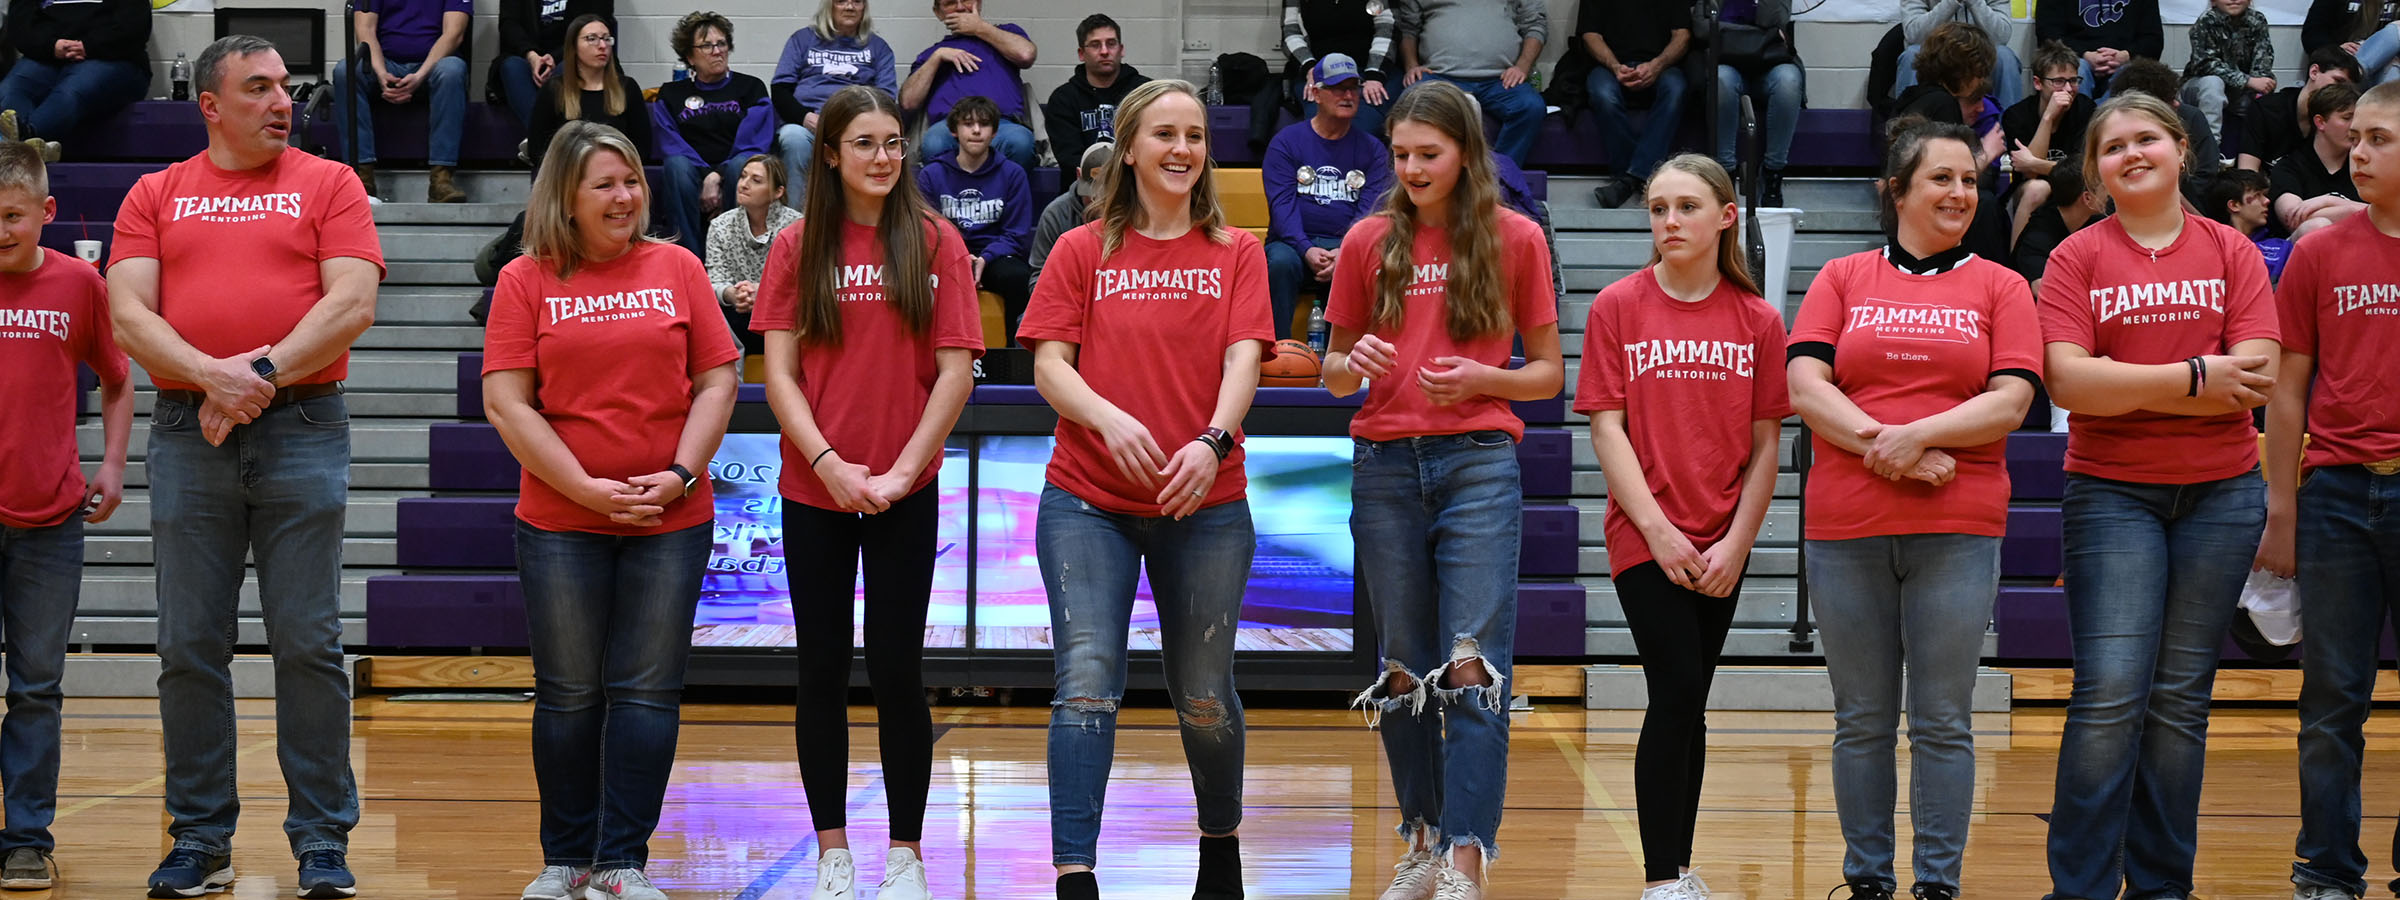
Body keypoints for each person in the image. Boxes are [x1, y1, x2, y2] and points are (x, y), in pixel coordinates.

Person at [107, 34, 381, 900]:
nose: (280, 102)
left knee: (309, 644)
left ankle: (321, 843)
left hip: (302, 421)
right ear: (212, 106)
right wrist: (211, 376)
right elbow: (128, 315)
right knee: (191, 646)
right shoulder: (156, 192)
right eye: (258, 88)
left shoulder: (329, 183)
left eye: (285, 87)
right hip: (191, 431)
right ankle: (199, 838)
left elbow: (352, 303)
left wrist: (253, 377)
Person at [1016, 78, 1271, 900]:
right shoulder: (1081, 249)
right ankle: (1075, 876)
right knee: (1086, 682)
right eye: (1164, 133)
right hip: (1088, 499)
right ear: (1129, 148)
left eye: (1195, 135)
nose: (1182, 149)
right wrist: (1110, 421)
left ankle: (1220, 843)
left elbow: (1244, 359)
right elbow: (1049, 363)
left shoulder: (1238, 252)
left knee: (1202, 694)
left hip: (1207, 502)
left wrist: (1212, 440)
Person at [484, 120, 741, 900]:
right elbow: (507, 401)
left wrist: (681, 473)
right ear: (565, 194)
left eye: (632, 180)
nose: (626, 196)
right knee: (568, 692)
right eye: (606, 184)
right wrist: (586, 489)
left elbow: (719, 380)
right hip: (562, 522)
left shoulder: (678, 266)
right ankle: (566, 859)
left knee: (646, 691)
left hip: (671, 519)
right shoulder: (524, 280)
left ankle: (623, 863)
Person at [1788, 115, 2041, 900]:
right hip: (1846, 527)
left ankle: (1938, 886)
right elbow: (1805, 387)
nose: (1961, 192)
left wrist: (1918, 436)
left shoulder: (2000, 284)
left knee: (1942, 721)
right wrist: (1887, 446)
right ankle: (1866, 882)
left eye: (1970, 179)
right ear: (1896, 190)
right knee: (1861, 719)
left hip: (1958, 527)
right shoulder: (1843, 276)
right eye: (1942, 178)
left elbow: (2011, 401)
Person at [2037, 92, 2280, 900]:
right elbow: (2071, 381)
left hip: (2223, 493)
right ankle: (2077, 887)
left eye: (2147, 139)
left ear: (2181, 148)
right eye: (2112, 147)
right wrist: (2195, 378)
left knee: (2179, 701)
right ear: (2096, 171)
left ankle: (2161, 887)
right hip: (2112, 494)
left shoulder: (2231, 251)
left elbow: (2257, 378)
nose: (2131, 154)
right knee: (2109, 694)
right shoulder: (2077, 258)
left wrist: (2136, 385)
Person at [1324, 80, 1561, 900]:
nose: (1414, 168)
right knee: (1401, 670)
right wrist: (1348, 365)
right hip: (1384, 468)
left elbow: (1546, 374)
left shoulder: (1516, 239)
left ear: (1466, 153)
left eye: (1430, 153)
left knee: (1471, 667)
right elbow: (1329, 372)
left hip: (1478, 462)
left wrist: (1483, 377)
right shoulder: (1365, 241)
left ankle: (1466, 855)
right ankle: (1421, 842)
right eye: (1401, 155)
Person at [749, 85, 981, 900]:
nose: (884, 157)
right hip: (814, 488)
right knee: (820, 668)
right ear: (833, 155)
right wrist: (830, 465)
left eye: (893, 143)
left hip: (903, 489)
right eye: (866, 144)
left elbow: (955, 373)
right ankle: (831, 851)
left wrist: (899, 471)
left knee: (895, 667)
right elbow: (777, 372)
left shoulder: (936, 241)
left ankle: (908, 855)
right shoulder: (795, 246)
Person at [1577, 153, 1787, 900]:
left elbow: (1768, 446)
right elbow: (1606, 428)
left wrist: (1737, 543)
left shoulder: (1759, 319)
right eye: (1659, 208)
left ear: (1726, 216)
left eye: (1687, 207)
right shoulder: (1618, 307)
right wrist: (1659, 531)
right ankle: (1661, 879)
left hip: (1721, 538)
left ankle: (1679, 868)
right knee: (1674, 691)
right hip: (1646, 534)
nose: (1669, 220)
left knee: (1690, 698)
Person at [2257, 79, 2400, 900]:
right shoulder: (2318, 252)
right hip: (2337, 495)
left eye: (2381, 139)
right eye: (2360, 136)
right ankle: (2326, 870)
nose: (2359, 151)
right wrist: (2281, 506)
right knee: (2331, 704)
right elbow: (2285, 388)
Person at [0, 139, 130, 893]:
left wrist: (112, 466)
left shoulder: (81, 285)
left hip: (50, 519)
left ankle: (25, 838)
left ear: (46, 213)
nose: (2, 229)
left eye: (13, 216)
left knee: (36, 686)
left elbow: (116, 380)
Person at [1264, 53, 1393, 341]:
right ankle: (1274, 355)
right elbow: (1281, 207)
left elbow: (1371, 213)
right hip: (1293, 244)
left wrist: (1344, 251)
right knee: (1280, 263)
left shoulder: (1373, 149)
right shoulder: (1286, 142)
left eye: (1352, 88)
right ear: (1316, 93)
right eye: (1337, 88)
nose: (1348, 95)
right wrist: (1306, 248)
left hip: (1345, 245)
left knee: (1372, 262)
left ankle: (1349, 361)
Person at [653, 11, 775, 256]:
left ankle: (733, 256)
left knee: (742, 165)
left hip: (734, 168)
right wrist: (706, 174)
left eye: (722, 43)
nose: (717, 51)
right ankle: (690, 260)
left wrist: (717, 176)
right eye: (706, 46)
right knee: (676, 165)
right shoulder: (671, 93)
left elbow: (753, 142)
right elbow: (669, 141)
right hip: (691, 174)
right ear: (689, 56)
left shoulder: (751, 87)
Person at [917, 94, 1033, 339]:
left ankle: (1015, 359)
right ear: (954, 131)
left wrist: (985, 258)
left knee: (1018, 278)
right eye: (968, 124)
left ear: (994, 132)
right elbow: (927, 231)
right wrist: (960, 258)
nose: (977, 131)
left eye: (984, 124)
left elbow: (1016, 234)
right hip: (947, 254)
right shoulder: (931, 175)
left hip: (995, 255)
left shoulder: (1013, 174)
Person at [332, 0, 471, 203]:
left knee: (452, 70)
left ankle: (441, 180)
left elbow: (454, 34)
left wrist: (420, 75)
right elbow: (365, 30)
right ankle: (362, 179)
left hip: (433, 65)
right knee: (345, 71)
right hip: (385, 63)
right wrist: (381, 74)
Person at [771, 0, 897, 212]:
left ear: (864, 7)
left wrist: (852, 125)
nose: (849, 7)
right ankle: (794, 222)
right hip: (808, 126)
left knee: (868, 145)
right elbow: (780, 90)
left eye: (856, 1)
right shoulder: (802, 40)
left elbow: (885, 98)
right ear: (829, 6)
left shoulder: (878, 48)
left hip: (856, 127)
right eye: (841, 1)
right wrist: (806, 118)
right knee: (792, 138)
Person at [1392, 0, 1546, 167]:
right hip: (1438, 76)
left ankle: (1499, 178)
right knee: (1408, 106)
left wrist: (1522, 66)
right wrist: (1411, 65)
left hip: (1500, 78)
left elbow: (1536, 25)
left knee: (1531, 107)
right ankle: (1422, 176)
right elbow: (1407, 28)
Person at [902, 0, 1038, 173]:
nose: (960, 7)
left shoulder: (1007, 32)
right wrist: (937, 57)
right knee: (934, 142)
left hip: (1001, 124)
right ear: (938, 12)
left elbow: (1026, 55)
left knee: (1021, 143)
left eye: (966, 0)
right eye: (950, 3)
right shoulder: (931, 53)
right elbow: (908, 102)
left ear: (979, 3)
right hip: (951, 126)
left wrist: (979, 27)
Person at [1577, 0, 1690, 208]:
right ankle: (1639, 176)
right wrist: (1615, 66)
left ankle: (1627, 181)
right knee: (1603, 94)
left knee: (1676, 89)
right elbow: (1590, 35)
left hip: (1661, 66)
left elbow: (1682, 36)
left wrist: (1656, 65)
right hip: (1611, 66)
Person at [0, 0, 148, 154]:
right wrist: (51, 45)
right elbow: (19, 25)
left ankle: (26, 142)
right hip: (47, 54)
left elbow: (135, 26)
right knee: (9, 90)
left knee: (71, 91)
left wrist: (88, 46)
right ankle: (32, 149)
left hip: (110, 57)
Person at [527, 15, 652, 176]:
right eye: (591, 39)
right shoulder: (554, 89)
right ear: (574, 46)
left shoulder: (627, 87)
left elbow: (642, 149)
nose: (602, 46)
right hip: (568, 178)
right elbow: (537, 149)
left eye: (607, 39)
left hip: (615, 177)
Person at [2004, 42, 2098, 248]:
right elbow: (2029, 176)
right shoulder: (2016, 116)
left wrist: (2035, 163)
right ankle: (2017, 265)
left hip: (2075, 187)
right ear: (2038, 83)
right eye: (2058, 81)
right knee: (2037, 188)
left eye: (2073, 81)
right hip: (2028, 189)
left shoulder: (2086, 109)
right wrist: (2048, 117)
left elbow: (2081, 172)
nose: (2067, 89)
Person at [704, 154, 799, 356]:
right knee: (712, 314)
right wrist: (732, 294)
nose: (744, 184)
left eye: (755, 180)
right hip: (738, 312)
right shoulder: (720, 226)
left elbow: (807, 281)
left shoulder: (797, 226)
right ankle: (729, 384)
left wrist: (764, 292)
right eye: (743, 176)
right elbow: (714, 280)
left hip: (783, 314)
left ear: (777, 192)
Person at [1712, 0, 1803, 207]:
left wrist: (1734, 31)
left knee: (1789, 82)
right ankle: (1724, 171)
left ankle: (1772, 172)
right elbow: (1703, 26)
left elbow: (1775, 21)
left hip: (1770, 61)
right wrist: (1760, 34)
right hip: (1727, 59)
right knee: (1721, 80)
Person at [1042, 14, 1148, 186]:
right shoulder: (1063, 99)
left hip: (1136, 186)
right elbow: (1070, 160)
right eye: (1095, 45)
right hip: (1084, 191)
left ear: (1121, 50)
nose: (1105, 51)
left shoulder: (1144, 92)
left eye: (1111, 44)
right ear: (1081, 54)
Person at [1282, 0, 1396, 138]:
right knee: (1324, 120)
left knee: (1367, 119)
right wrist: (1310, 69)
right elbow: (1290, 33)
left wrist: (1375, 76)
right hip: (1319, 71)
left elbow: (1388, 30)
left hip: (1370, 71)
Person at [493, 0, 612, 131]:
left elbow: (597, 25)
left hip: (572, 54)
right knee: (512, 67)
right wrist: (531, 55)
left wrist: (554, 58)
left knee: (568, 68)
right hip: (525, 55)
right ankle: (542, 140)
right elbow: (508, 24)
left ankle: (544, 142)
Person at [2240, 45, 2362, 171]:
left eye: (2347, 87)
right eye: (2338, 81)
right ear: (2314, 72)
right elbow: (2247, 173)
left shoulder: (2338, 124)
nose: (2342, 92)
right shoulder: (2265, 109)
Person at [2272, 81, 2366, 240]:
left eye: (2357, 119)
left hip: (2359, 248)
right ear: (2320, 122)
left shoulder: (2364, 163)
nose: (2354, 126)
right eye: (2347, 117)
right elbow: (2295, 219)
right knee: (2317, 226)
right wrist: (2360, 211)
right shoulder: (2289, 167)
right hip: (2303, 252)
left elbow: (2391, 214)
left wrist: (2330, 201)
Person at [1893, 0, 2025, 112]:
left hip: (1979, 58)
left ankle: (2007, 136)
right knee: (1911, 55)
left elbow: (2001, 36)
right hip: (1936, 59)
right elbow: (1914, 35)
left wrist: (1975, 2)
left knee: (2005, 57)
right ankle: (1907, 134)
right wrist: (1951, 2)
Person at [2183, 0, 2276, 147]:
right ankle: (2210, 150)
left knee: (2266, 86)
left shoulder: (2257, 20)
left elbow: (2263, 61)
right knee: (2213, 84)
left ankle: (2254, 154)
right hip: (2201, 88)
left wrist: (2261, 81)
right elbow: (2204, 64)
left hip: (2239, 91)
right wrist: (2247, 81)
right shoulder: (2206, 21)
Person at [2013, 155, 2106, 295]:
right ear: (2087, 198)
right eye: (2102, 188)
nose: (2108, 192)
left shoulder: (2094, 218)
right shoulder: (2037, 237)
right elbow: (2043, 288)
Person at [2034, 0, 2164, 97]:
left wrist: (2126, 55)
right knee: (2076, 72)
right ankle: (2078, 130)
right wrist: (2084, 54)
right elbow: (2048, 34)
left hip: (2124, 61)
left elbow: (2154, 40)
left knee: (2132, 77)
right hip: (2076, 58)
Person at [1030, 140, 1108, 289]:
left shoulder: (1138, 214)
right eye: (1092, 195)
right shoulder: (1055, 214)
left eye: (1107, 196)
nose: (1098, 203)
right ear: (1079, 175)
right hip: (1069, 299)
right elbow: (1038, 280)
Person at [2200, 167, 2292, 281]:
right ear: (2234, 205)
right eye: (2258, 195)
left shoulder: (2282, 248)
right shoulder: (2207, 254)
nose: (2267, 201)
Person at [2303, 0, 2400, 83]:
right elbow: (2311, 34)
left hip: (2382, 69)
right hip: (2340, 64)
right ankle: (2354, 70)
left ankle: (2357, 70)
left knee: (2392, 65)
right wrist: (2337, 50)